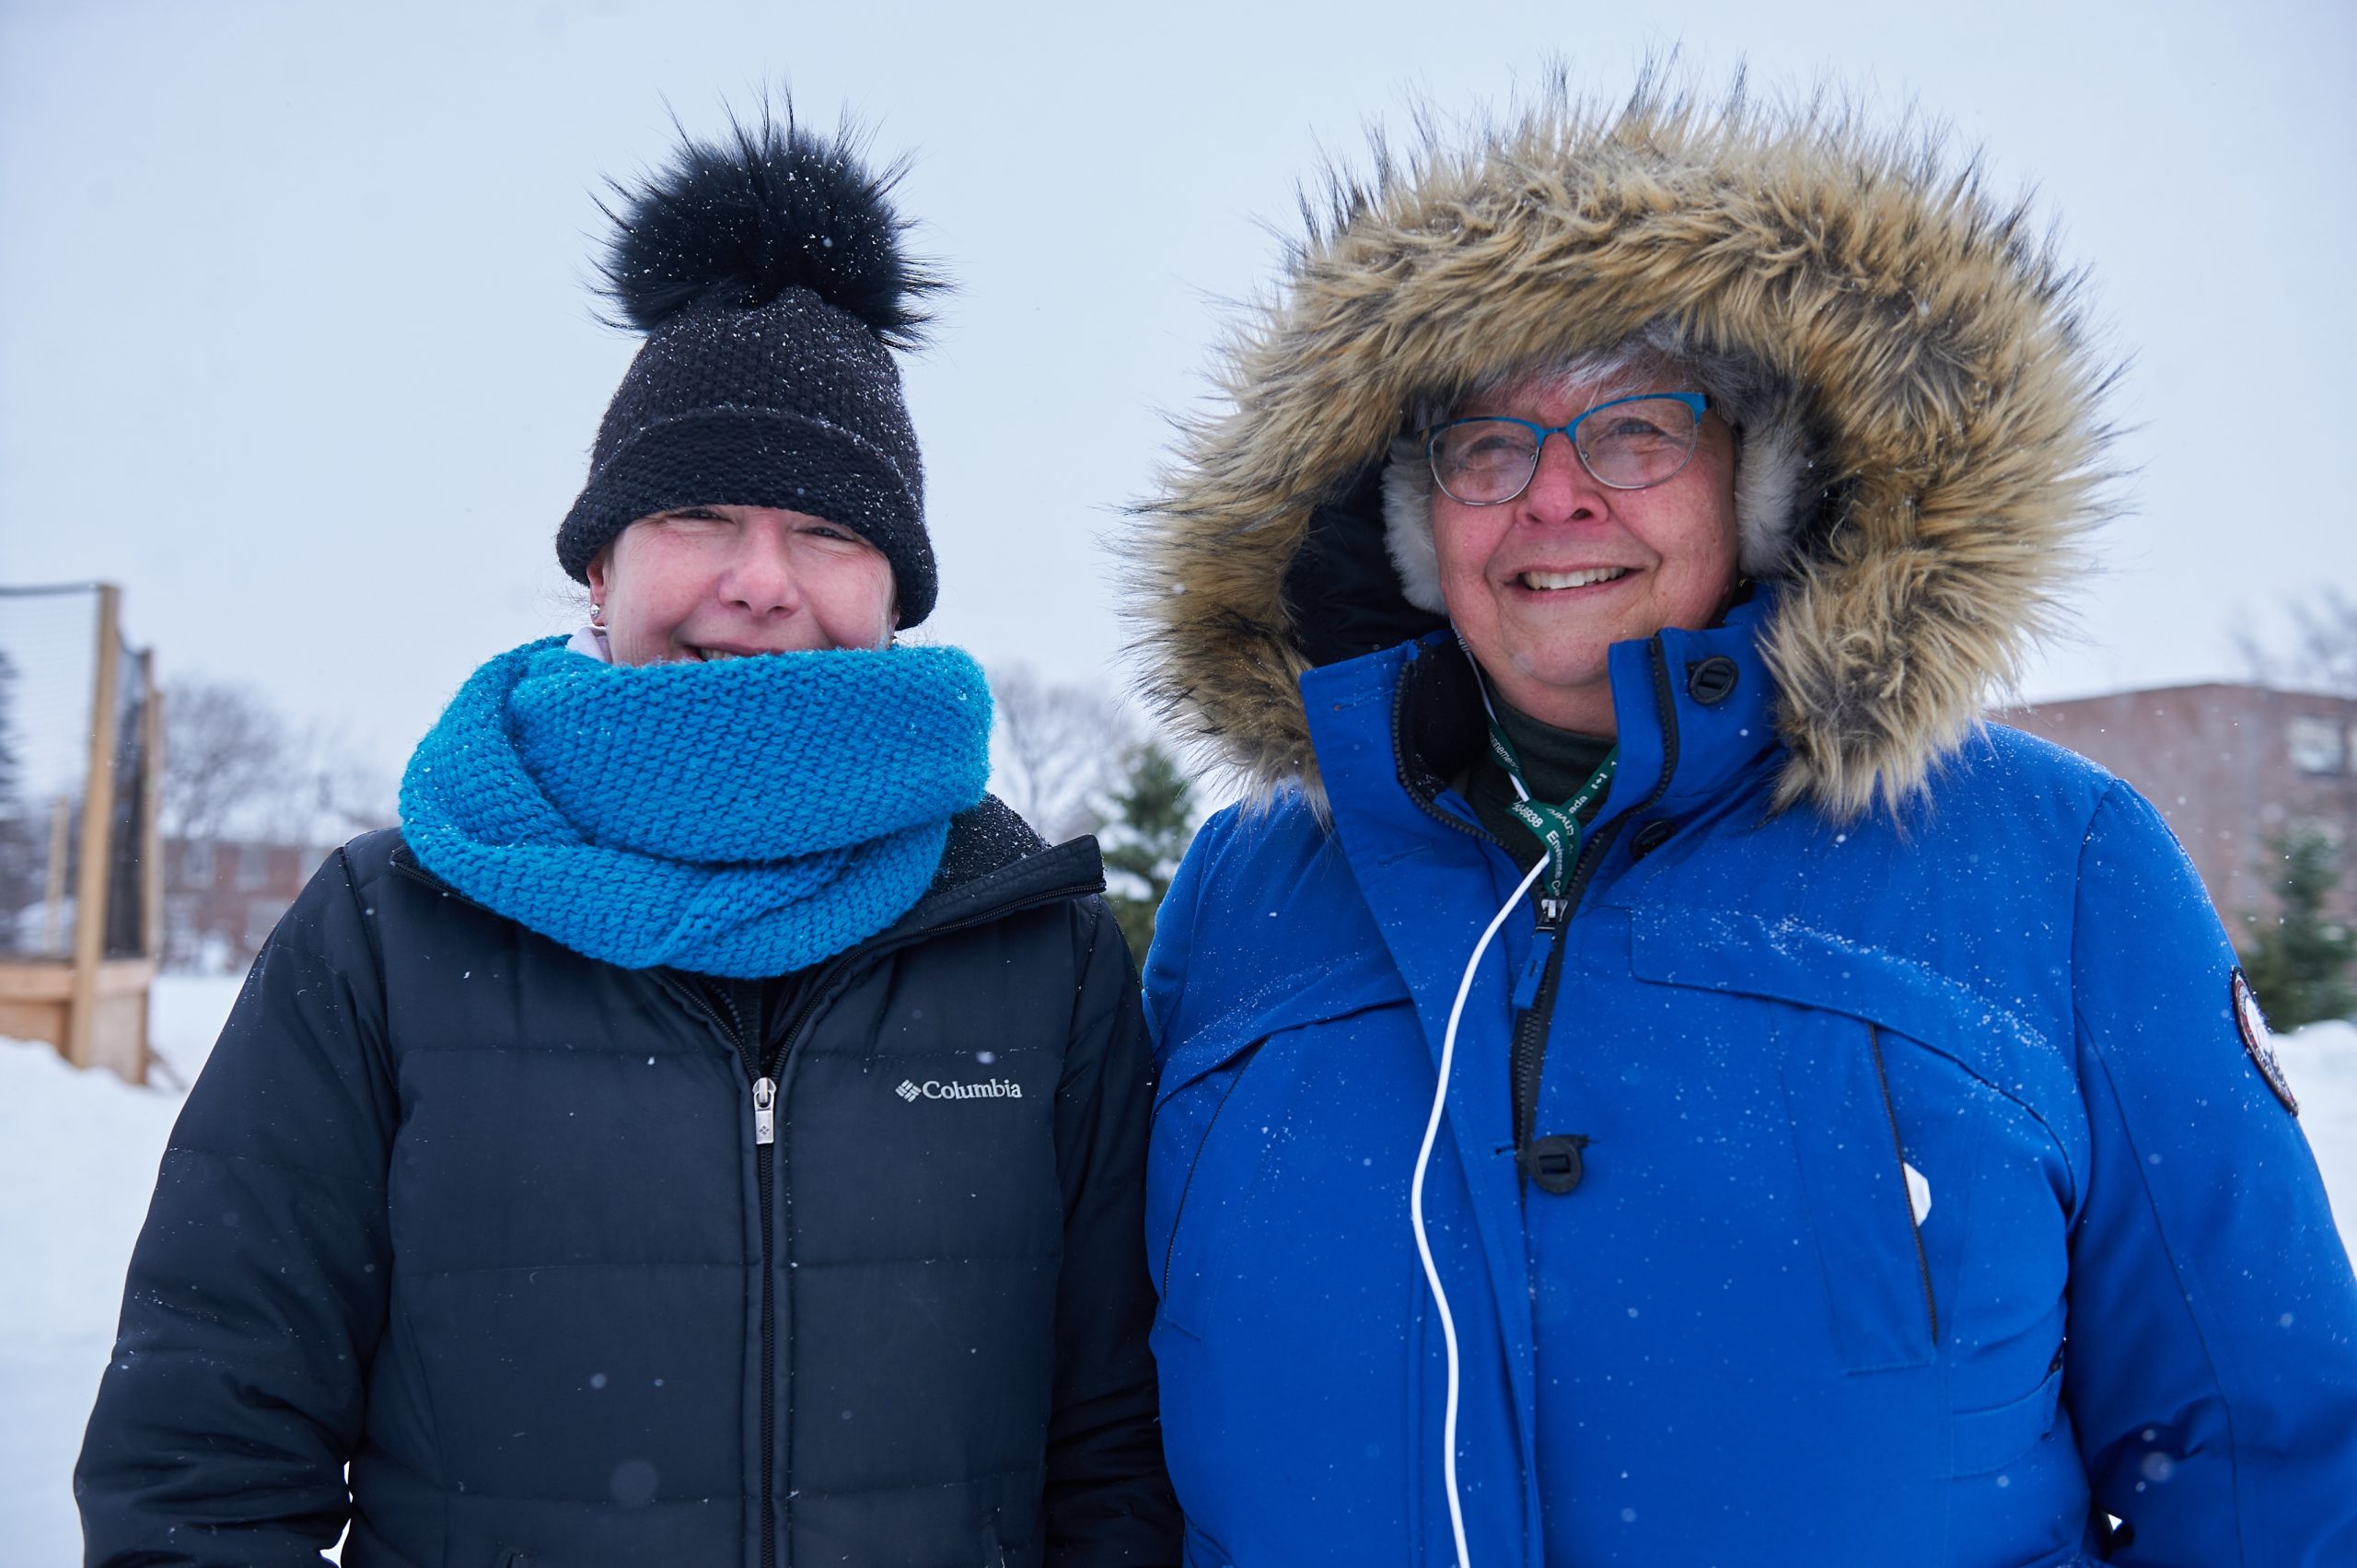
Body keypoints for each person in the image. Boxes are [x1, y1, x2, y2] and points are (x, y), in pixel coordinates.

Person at [1125, 83, 2357, 1566]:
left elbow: (2260, 1455)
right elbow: (1119, 1451)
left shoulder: (2055, 865)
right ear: (1410, 511)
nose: (1555, 501)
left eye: (1633, 429)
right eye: (1486, 445)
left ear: (1760, 482)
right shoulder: (1243, 901)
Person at [77, 109, 1180, 1568]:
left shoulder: (1034, 951)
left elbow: (1118, 1460)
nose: (759, 582)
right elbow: (204, 1468)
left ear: (896, 595)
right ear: (601, 566)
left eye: (830, 533)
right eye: (701, 513)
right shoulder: (386, 938)